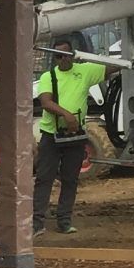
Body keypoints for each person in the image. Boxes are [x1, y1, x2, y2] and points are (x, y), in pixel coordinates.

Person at [32, 35, 106, 235]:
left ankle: (64, 220)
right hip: (52, 135)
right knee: (44, 178)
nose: (63, 60)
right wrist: (66, 115)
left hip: (75, 136)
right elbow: (46, 102)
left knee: (70, 179)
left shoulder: (84, 72)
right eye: (58, 57)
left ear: (73, 55)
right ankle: (37, 222)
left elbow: (110, 68)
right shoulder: (49, 77)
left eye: (66, 55)